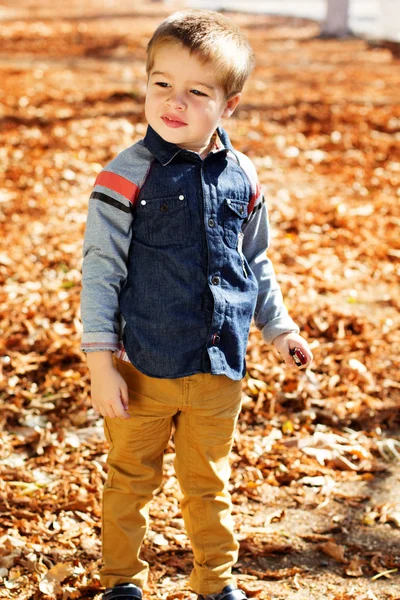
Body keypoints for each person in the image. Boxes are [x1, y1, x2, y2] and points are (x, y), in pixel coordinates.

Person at [80, 9, 313, 600]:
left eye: (196, 91)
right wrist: (100, 363)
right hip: (144, 370)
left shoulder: (243, 176)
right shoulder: (124, 176)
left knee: (209, 482)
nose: (173, 101)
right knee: (131, 479)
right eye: (162, 84)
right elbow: (102, 272)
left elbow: (254, 262)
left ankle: (216, 582)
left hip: (219, 370)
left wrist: (278, 329)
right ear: (146, 83)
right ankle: (122, 582)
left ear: (228, 105)